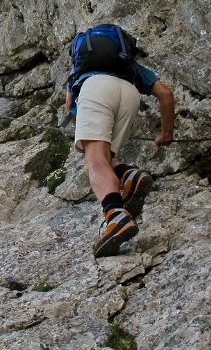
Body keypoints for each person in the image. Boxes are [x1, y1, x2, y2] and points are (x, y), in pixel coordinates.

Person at [64, 24, 175, 257]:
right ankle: (127, 174)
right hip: (129, 94)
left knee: (93, 161)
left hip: (94, 90)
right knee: (105, 158)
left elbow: (69, 108)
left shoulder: (79, 69)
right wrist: (166, 134)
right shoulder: (127, 65)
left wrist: (83, 131)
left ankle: (116, 215)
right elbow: (165, 94)